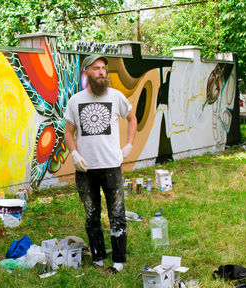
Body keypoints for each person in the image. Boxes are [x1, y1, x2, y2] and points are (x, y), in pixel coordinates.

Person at [63, 54, 137, 274]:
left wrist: (129, 145)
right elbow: (68, 132)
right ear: (87, 72)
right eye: (96, 68)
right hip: (85, 169)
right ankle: (97, 256)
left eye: (104, 68)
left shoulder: (116, 97)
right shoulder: (76, 100)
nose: (102, 72)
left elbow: (132, 119)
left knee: (116, 213)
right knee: (91, 215)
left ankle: (119, 260)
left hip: (111, 166)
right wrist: (74, 155)